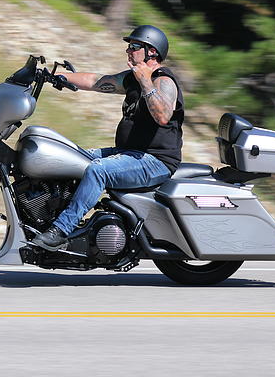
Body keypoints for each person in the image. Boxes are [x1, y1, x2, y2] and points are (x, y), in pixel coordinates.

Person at [32, 25, 184, 250]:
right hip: (129, 154)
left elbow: (162, 116)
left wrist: (145, 82)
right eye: (128, 47)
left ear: (151, 51)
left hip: (155, 161)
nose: (128, 51)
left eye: (134, 47)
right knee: (72, 156)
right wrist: (57, 76)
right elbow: (95, 80)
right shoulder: (131, 79)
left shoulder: (164, 81)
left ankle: (62, 230)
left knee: (98, 170)